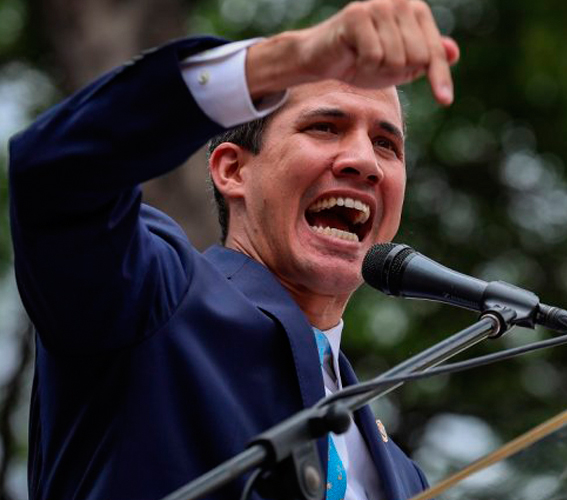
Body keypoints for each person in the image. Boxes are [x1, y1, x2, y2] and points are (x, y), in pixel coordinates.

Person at [8, 0, 460, 498]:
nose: (363, 161)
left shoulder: (403, 474)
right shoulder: (152, 296)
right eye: (325, 127)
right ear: (232, 171)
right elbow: (54, 172)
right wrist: (287, 59)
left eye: (386, 145)